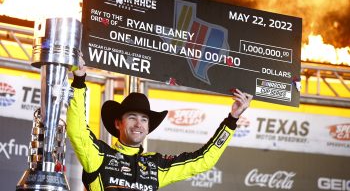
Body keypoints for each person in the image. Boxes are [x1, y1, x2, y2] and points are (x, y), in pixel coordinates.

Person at [67, 57, 253, 191]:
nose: (138, 124)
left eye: (144, 119)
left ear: (148, 128)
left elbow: (203, 161)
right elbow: (77, 130)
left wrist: (232, 120)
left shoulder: (156, 166)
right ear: (118, 123)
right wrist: (79, 81)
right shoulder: (99, 156)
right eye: (132, 117)